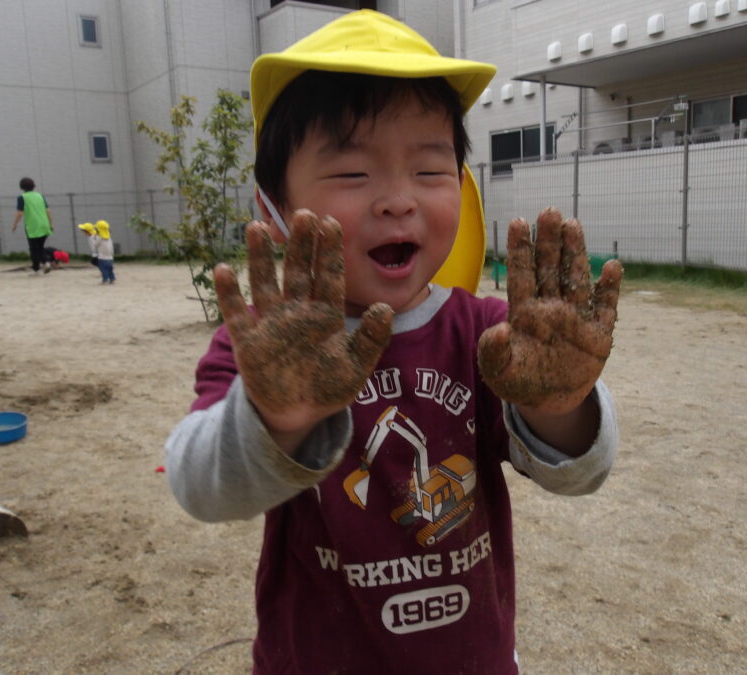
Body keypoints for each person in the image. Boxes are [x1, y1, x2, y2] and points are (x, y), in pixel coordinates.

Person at [165, 10, 623, 674]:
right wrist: (276, 417)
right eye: (352, 173)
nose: (398, 200)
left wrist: (559, 404)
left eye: (431, 170)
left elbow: (582, 473)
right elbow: (199, 489)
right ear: (274, 207)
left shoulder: (488, 335)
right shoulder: (267, 351)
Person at [10, 177, 54, 274]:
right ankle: (46, 262)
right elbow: (48, 210)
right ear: (33, 186)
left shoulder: (22, 197)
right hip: (45, 224)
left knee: (33, 248)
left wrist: (14, 224)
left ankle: (37, 268)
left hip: (33, 226)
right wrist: (51, 223)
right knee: (40, 247)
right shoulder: (40, 196)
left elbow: (20, 213)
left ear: (21, 187)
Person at [94, 220, 115, 284]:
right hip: (110, 257)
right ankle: (112, 279)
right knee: (110, 269)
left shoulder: (99, 237)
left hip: (102, 257)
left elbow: (95, 245)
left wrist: (95, 237)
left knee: (104, 269)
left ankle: (105, 280)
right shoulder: (109, 238)